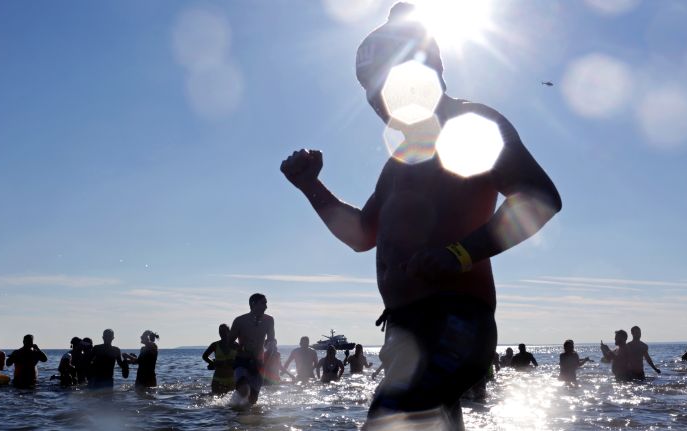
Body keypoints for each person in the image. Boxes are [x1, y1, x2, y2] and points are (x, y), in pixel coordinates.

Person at [281, 2, 561, 427]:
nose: (377, 101)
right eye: (369, 91)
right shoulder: (399, 162)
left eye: (385, 85)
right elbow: (361, 234)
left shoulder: (471, 123)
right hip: (403, 332)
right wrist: (311, 187)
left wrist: (459, 254)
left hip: (455, 322)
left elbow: (538, 198)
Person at [228, 293, 275, 405]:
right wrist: (240, 348)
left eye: (266, 303)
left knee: (253, 400)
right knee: (244, 390)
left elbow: (271, 341)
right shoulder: (240, 320)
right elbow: (229, 342)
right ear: (253, 304)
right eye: (263, 303)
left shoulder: (269, 320)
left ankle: (243, 413)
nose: (266, 306)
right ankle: (234, 408)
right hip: (242, 360)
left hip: (259, 362)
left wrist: (266, 362)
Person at [202, 324, 239, 395]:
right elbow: (204, 356)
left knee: (231, 403)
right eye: (220, 332)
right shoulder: (215, 345)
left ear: (229, 332)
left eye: (224, 332)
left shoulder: (236, 345)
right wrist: (213, 363)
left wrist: (234, 362)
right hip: (218, 378)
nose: (222, 334)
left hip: (232, 379)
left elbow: (241, 359)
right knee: (215, 402)